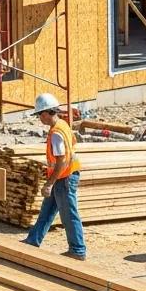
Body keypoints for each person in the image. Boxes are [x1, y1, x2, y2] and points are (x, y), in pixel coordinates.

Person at [22, 92, 87, 260]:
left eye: (39, 115)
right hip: (62, 176)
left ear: (45, 113)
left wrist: (50, 183)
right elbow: (71, 147)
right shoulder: (63, 125)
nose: (39, 119)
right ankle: (33, 240)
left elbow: (61, 161)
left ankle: (78, 250)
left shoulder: (56, 134)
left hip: (64, 177)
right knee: (47, 210)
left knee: (69, 214)